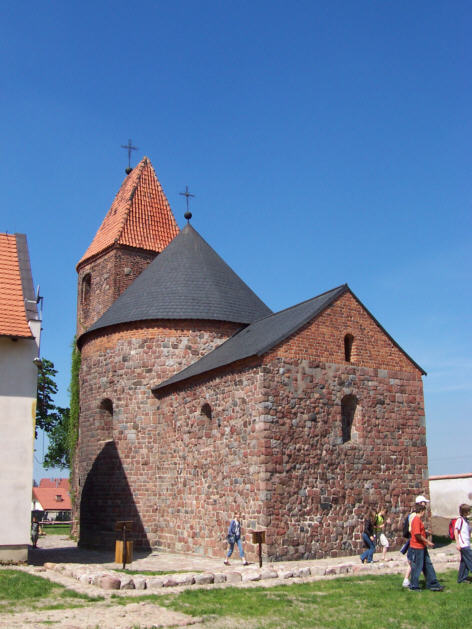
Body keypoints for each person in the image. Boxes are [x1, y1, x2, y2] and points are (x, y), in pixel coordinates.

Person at [408, 503, 444, 591]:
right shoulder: (416, 520)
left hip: (422, 547)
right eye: (424, 511)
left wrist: (426, 533)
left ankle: (433, 584)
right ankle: (414, 586)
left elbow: (419, 532)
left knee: (428, 565)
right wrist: (428, 542)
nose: (424, 513)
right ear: (421, 511)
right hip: (417, 547)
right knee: (417, 567)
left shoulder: (418, 520)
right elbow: (417, 535)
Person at [402, 495, 431, 588]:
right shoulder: (414, 516)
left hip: (417, 541)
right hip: (415, 542)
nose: (425, 504)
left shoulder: (416, 515)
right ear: (420, 503)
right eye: (424, 503)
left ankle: (429, 580)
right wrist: (421, 536)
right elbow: (412, 530)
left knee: (417, 561)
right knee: (414, 561)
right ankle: (408, 580)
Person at [454, 503, 472, 584]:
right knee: (470, 560)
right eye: (468, 511)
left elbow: (468, 532)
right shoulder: (459, 520)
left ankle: (461, 578)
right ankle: (462, 578)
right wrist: (457, 543)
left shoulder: (466, 520)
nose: (469, 512)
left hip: (467, 543)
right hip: (463, 544)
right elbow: (456, 531)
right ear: (464, 512)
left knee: (464, 563)